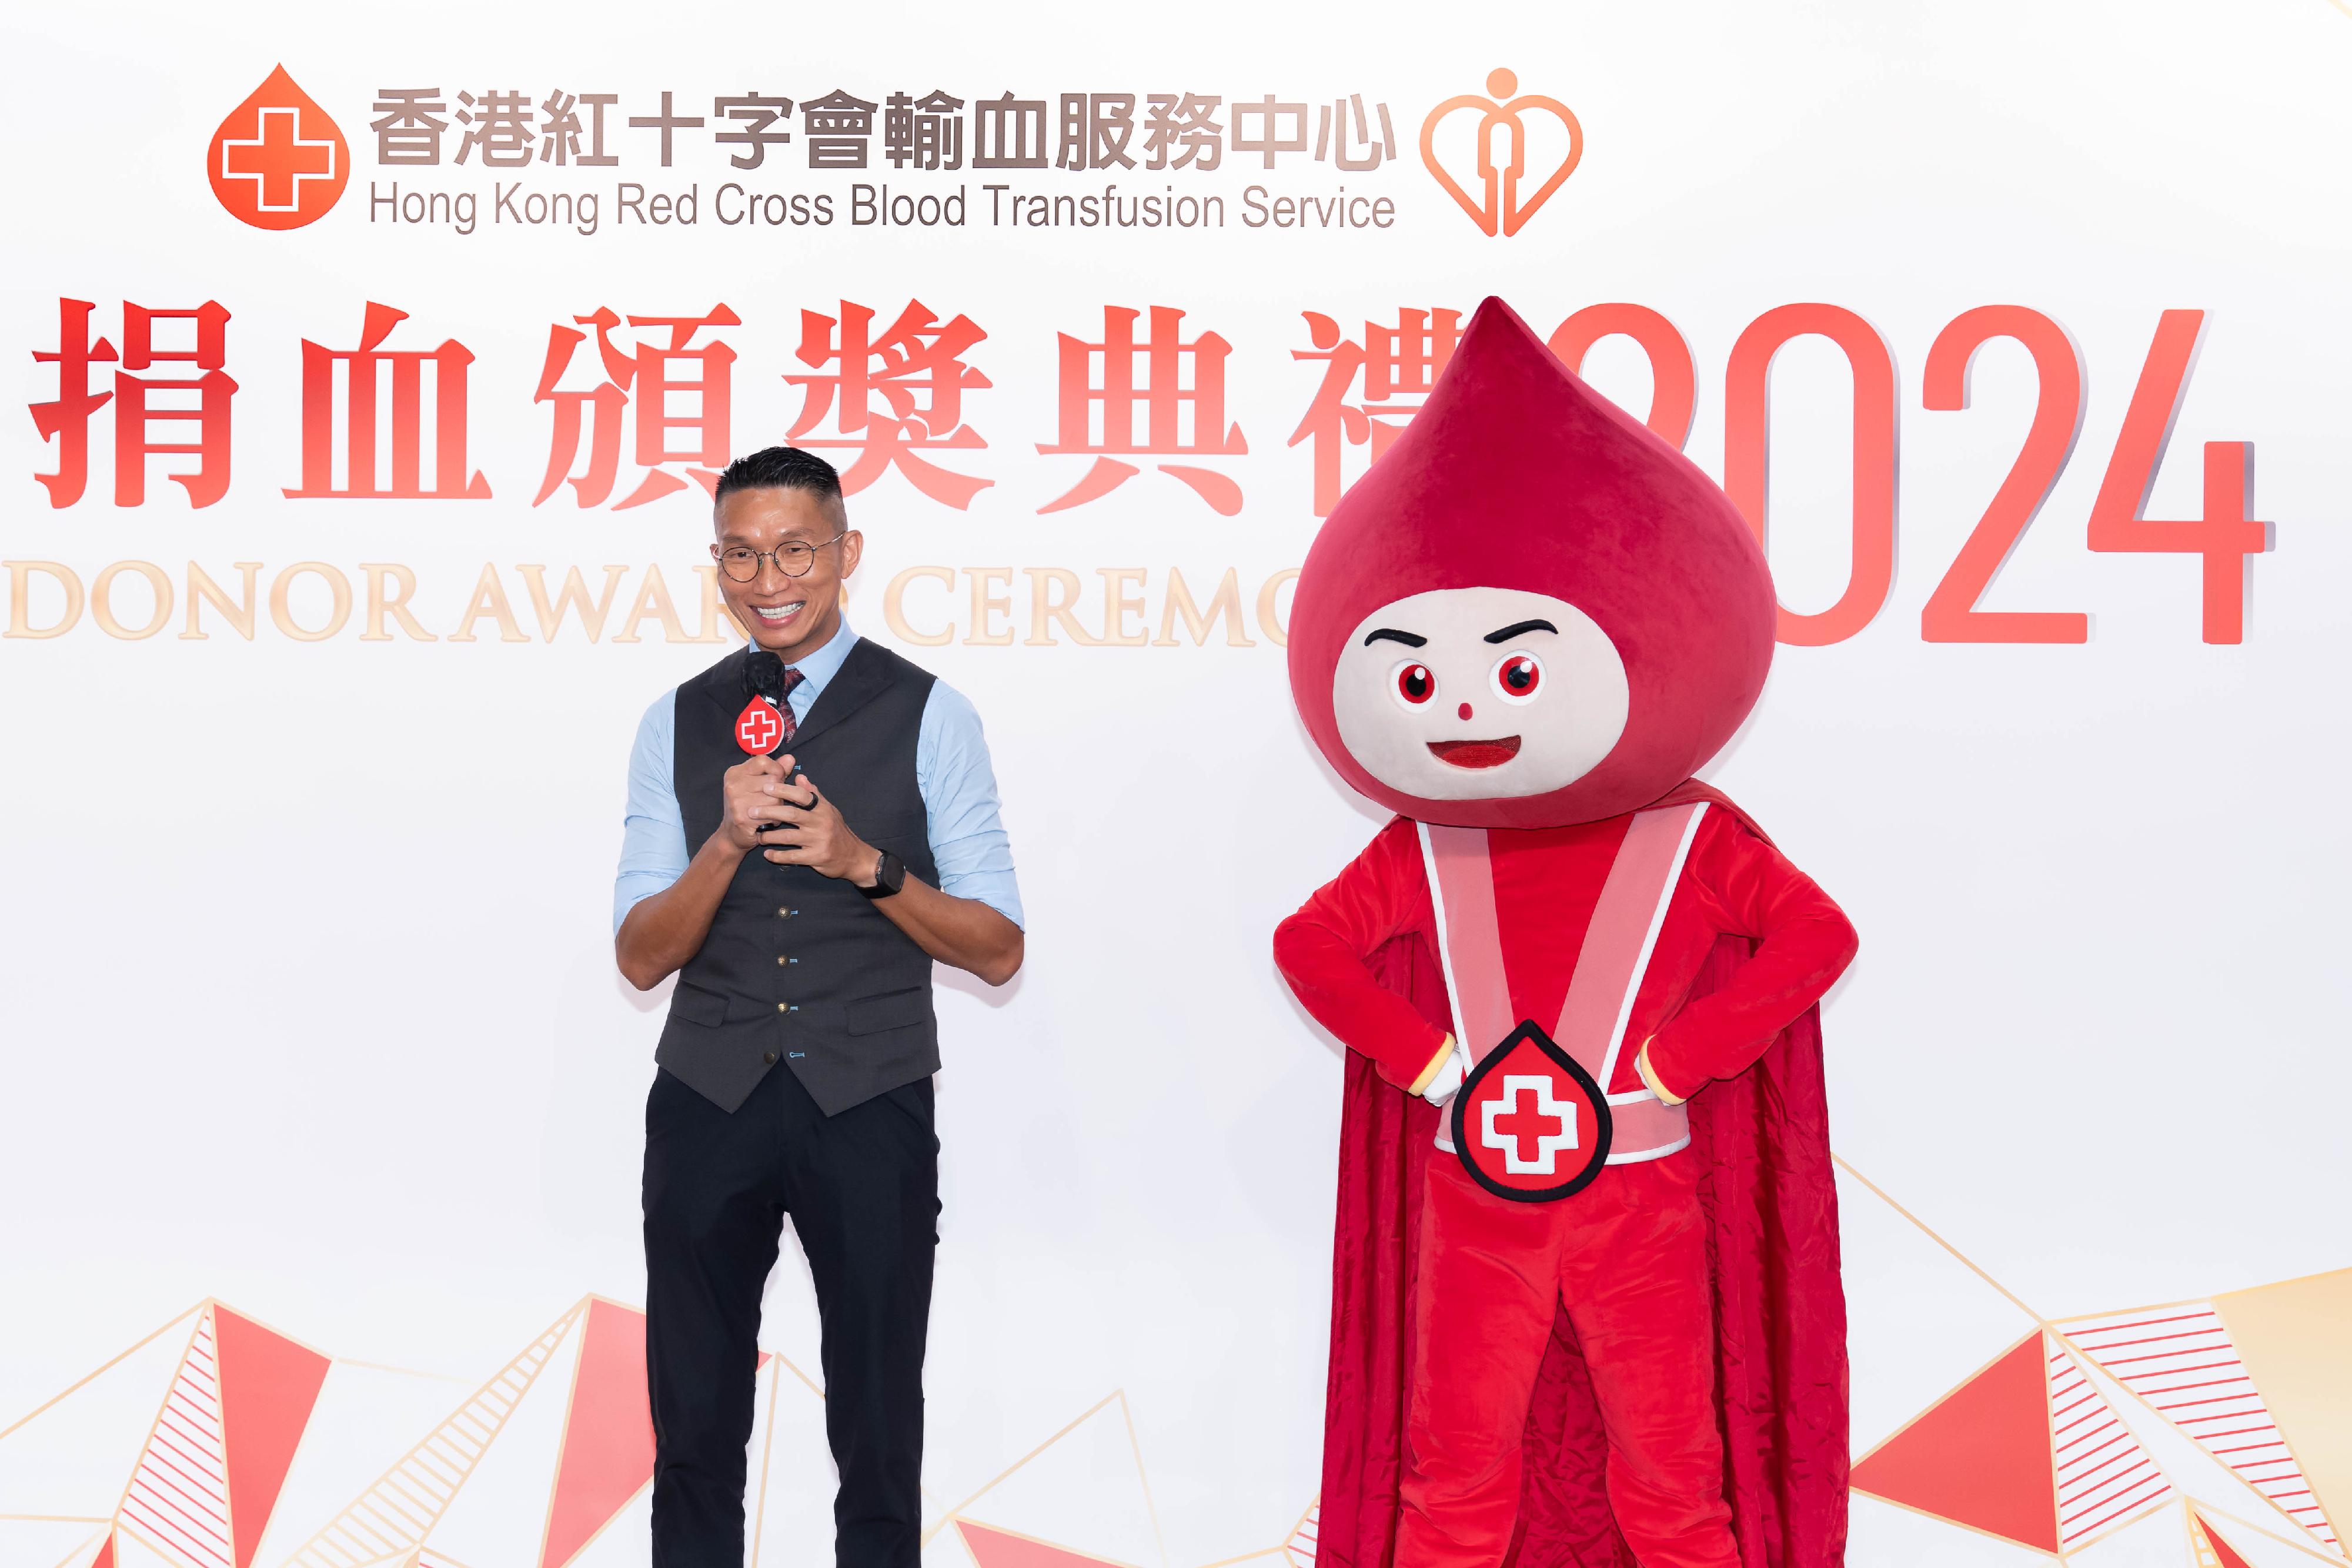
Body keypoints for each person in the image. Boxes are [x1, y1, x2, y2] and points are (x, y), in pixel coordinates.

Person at [1272, 299, 1859, 1568]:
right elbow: (1306, 946)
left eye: (1515, 671)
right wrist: (1428, 1063)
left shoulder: (1698, 841)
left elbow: (1816, 937)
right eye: (1422, 679)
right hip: (1471, 1196)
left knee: (1672, 1476)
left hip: (1637, 1186)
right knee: (1452, 1474)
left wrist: (1676, 1059)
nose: (1468, 703)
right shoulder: (1416, 846)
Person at [613, 444, 1025, 1568]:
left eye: (796, 549)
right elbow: (641, 957)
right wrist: (721, 844)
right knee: (694, 1427)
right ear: (715, 566)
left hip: (871, 1100)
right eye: (741, 555)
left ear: (847, 554)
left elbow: (997, 949)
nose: (769, 578)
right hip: (708, 1098)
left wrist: (864, 864)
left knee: (879, 1430)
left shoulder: (933, 714)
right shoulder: (677, 722)